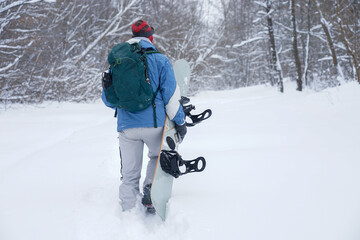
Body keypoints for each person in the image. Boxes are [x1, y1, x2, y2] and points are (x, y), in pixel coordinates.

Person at [101, 20, 187, 212]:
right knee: (157, 157)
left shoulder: (118, 62)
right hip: (154, 125)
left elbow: (108, 100)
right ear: (151, 37)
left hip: (126, 127)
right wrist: (180, 122)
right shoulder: (161, 60)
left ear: (132, 36)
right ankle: (151, 190)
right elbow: (171, 97)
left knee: (129, 175)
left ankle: (128, 212)